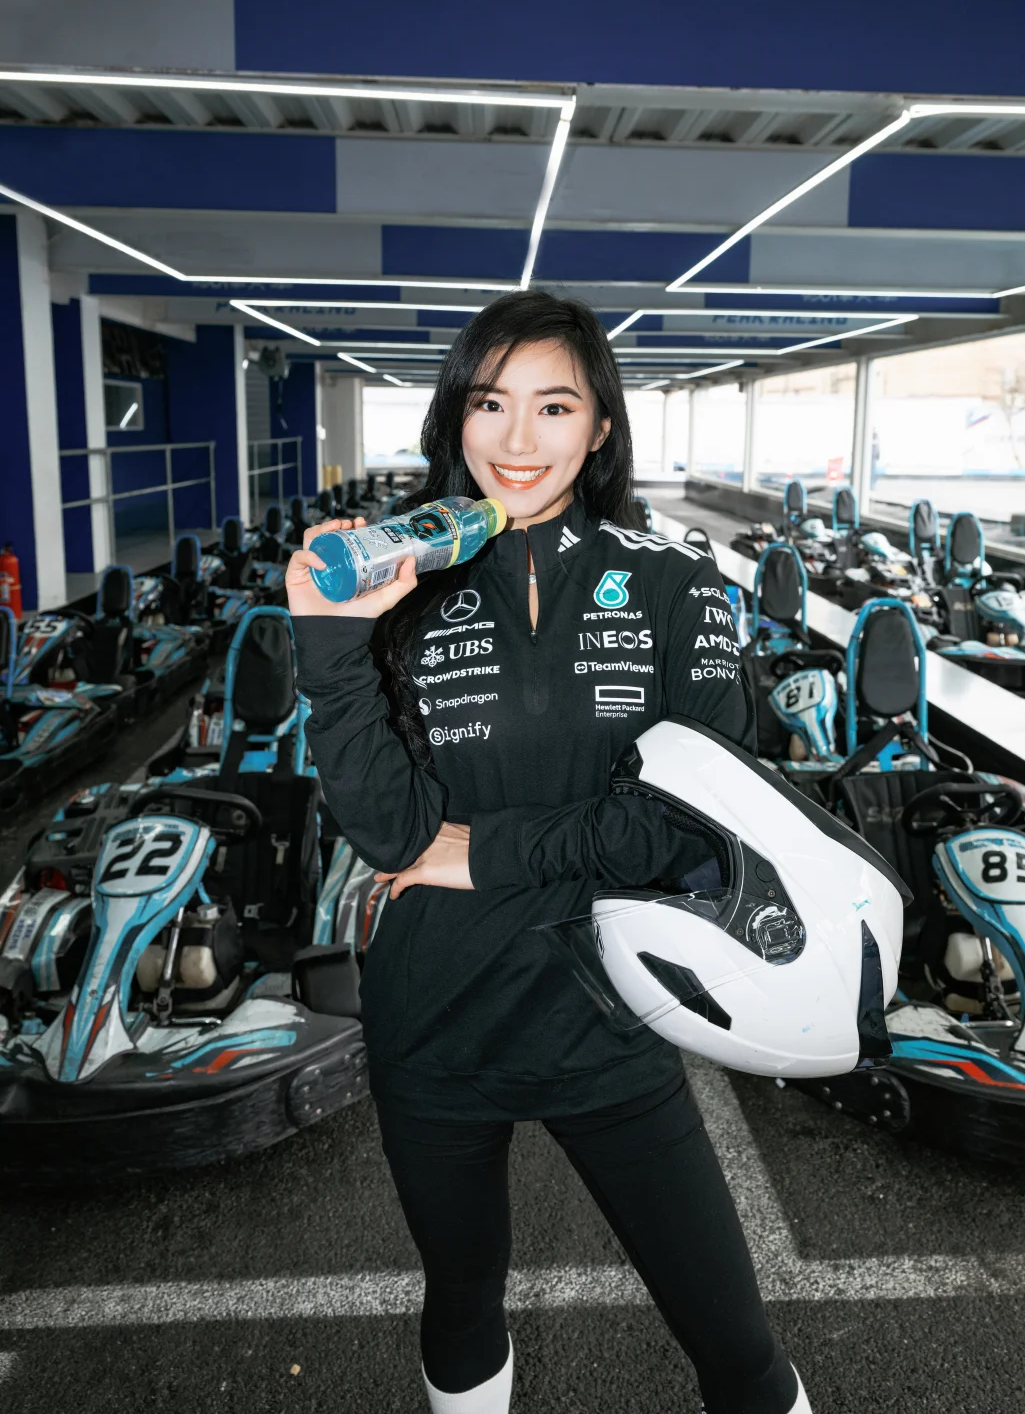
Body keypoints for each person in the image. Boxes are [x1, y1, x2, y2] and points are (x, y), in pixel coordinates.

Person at [286, 290, 810, 1414]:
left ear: (601, 426)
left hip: (612, 1018)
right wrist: (328, 645)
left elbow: (688, 824)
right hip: (435, 1022)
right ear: (455, 416)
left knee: (737, 1346)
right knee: (461, 1301)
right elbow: (390, 832)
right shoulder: (398, 582)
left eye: (555, 405)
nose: (517, 438)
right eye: (490, 403)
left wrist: (483, 852)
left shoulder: (678, 583)